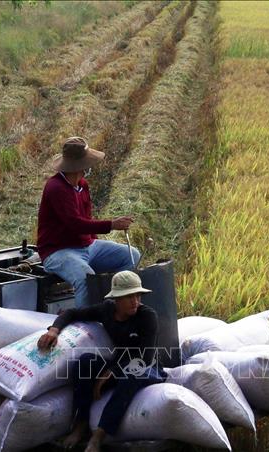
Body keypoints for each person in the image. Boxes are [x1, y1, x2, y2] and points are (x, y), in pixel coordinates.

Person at [37, 271, 165, 452]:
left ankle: (98, 436)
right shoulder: (106, 309)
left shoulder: (147, 316)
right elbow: (72, 313)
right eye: (129, 297)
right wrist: (53, 331)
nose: (135, 301)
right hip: (117, 363)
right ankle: (80, 425)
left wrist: (112, 372)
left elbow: (145, 358)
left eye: (138, 295)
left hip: (147, 367)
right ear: (117, 299)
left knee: (131, 376)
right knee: (85, 362)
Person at [37, 136, 140, 308]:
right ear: (80, 166)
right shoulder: (56, 188)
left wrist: (95, 240)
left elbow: (87, 218)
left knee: (132, 255)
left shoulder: (82, 185)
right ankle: (85, 324)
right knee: (86, 279)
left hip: (86, 247)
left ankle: (113, 303)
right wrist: (111, 224)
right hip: (58, 251)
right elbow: (75, 224)